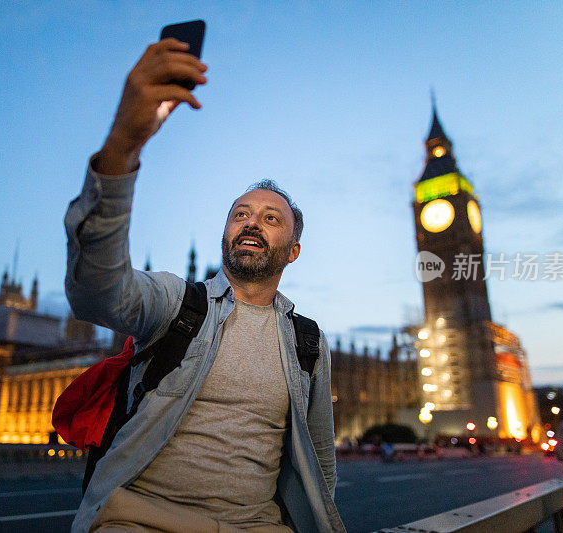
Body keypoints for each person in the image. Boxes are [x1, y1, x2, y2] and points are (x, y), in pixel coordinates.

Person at [63, 38, 346, 533]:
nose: (252, 223)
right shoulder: (176, 304)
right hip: (144, 518)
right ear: (226, 233)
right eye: (241, 214)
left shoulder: (307, 342)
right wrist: (122, 148)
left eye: (270, 218)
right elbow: (96, 291)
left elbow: (319, 458)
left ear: (293, 250)